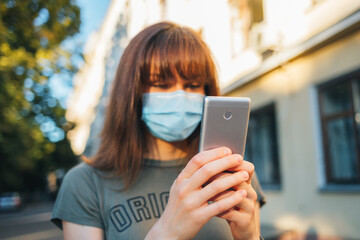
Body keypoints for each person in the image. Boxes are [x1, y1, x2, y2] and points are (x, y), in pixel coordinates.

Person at [51, 21, 266, 240]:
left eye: (192, 85)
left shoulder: (232, 172)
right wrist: (167, 233)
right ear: (132, 91)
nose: (180, 95)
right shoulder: (85, 184)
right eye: (161, 84)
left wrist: (250, 238)